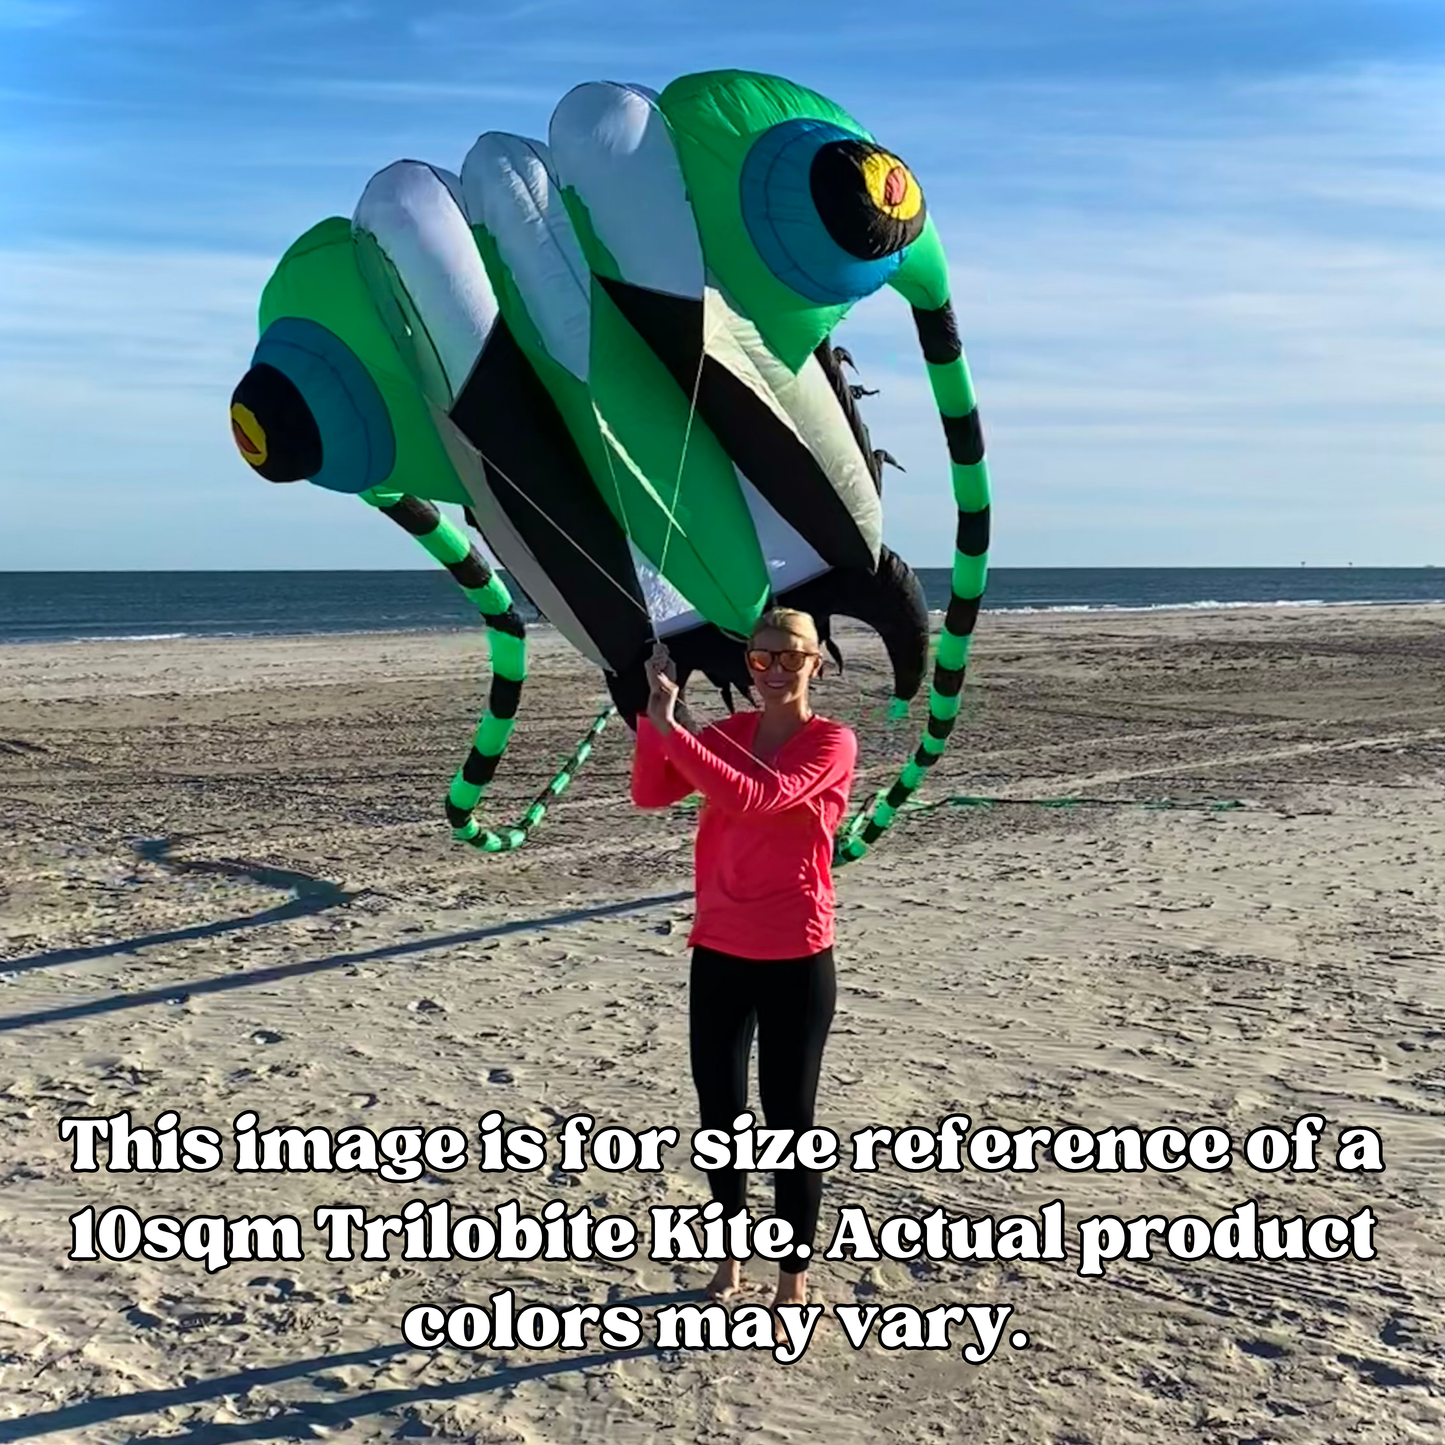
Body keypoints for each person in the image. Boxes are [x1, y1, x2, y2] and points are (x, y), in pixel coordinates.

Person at [630, 607, 858, 1321]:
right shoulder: (727, 733)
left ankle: (793, 1268)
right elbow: (652, 792)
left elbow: (758, 796)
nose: (776, 671)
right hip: (719, 949)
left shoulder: (832, 741)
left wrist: (676, 730)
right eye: (762, 659)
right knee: (721, 1114)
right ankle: (729, 1253)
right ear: (748, 665)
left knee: (789, 1118)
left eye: (792, 658)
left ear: (816, 664)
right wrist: (649, 712)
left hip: (795, 951)